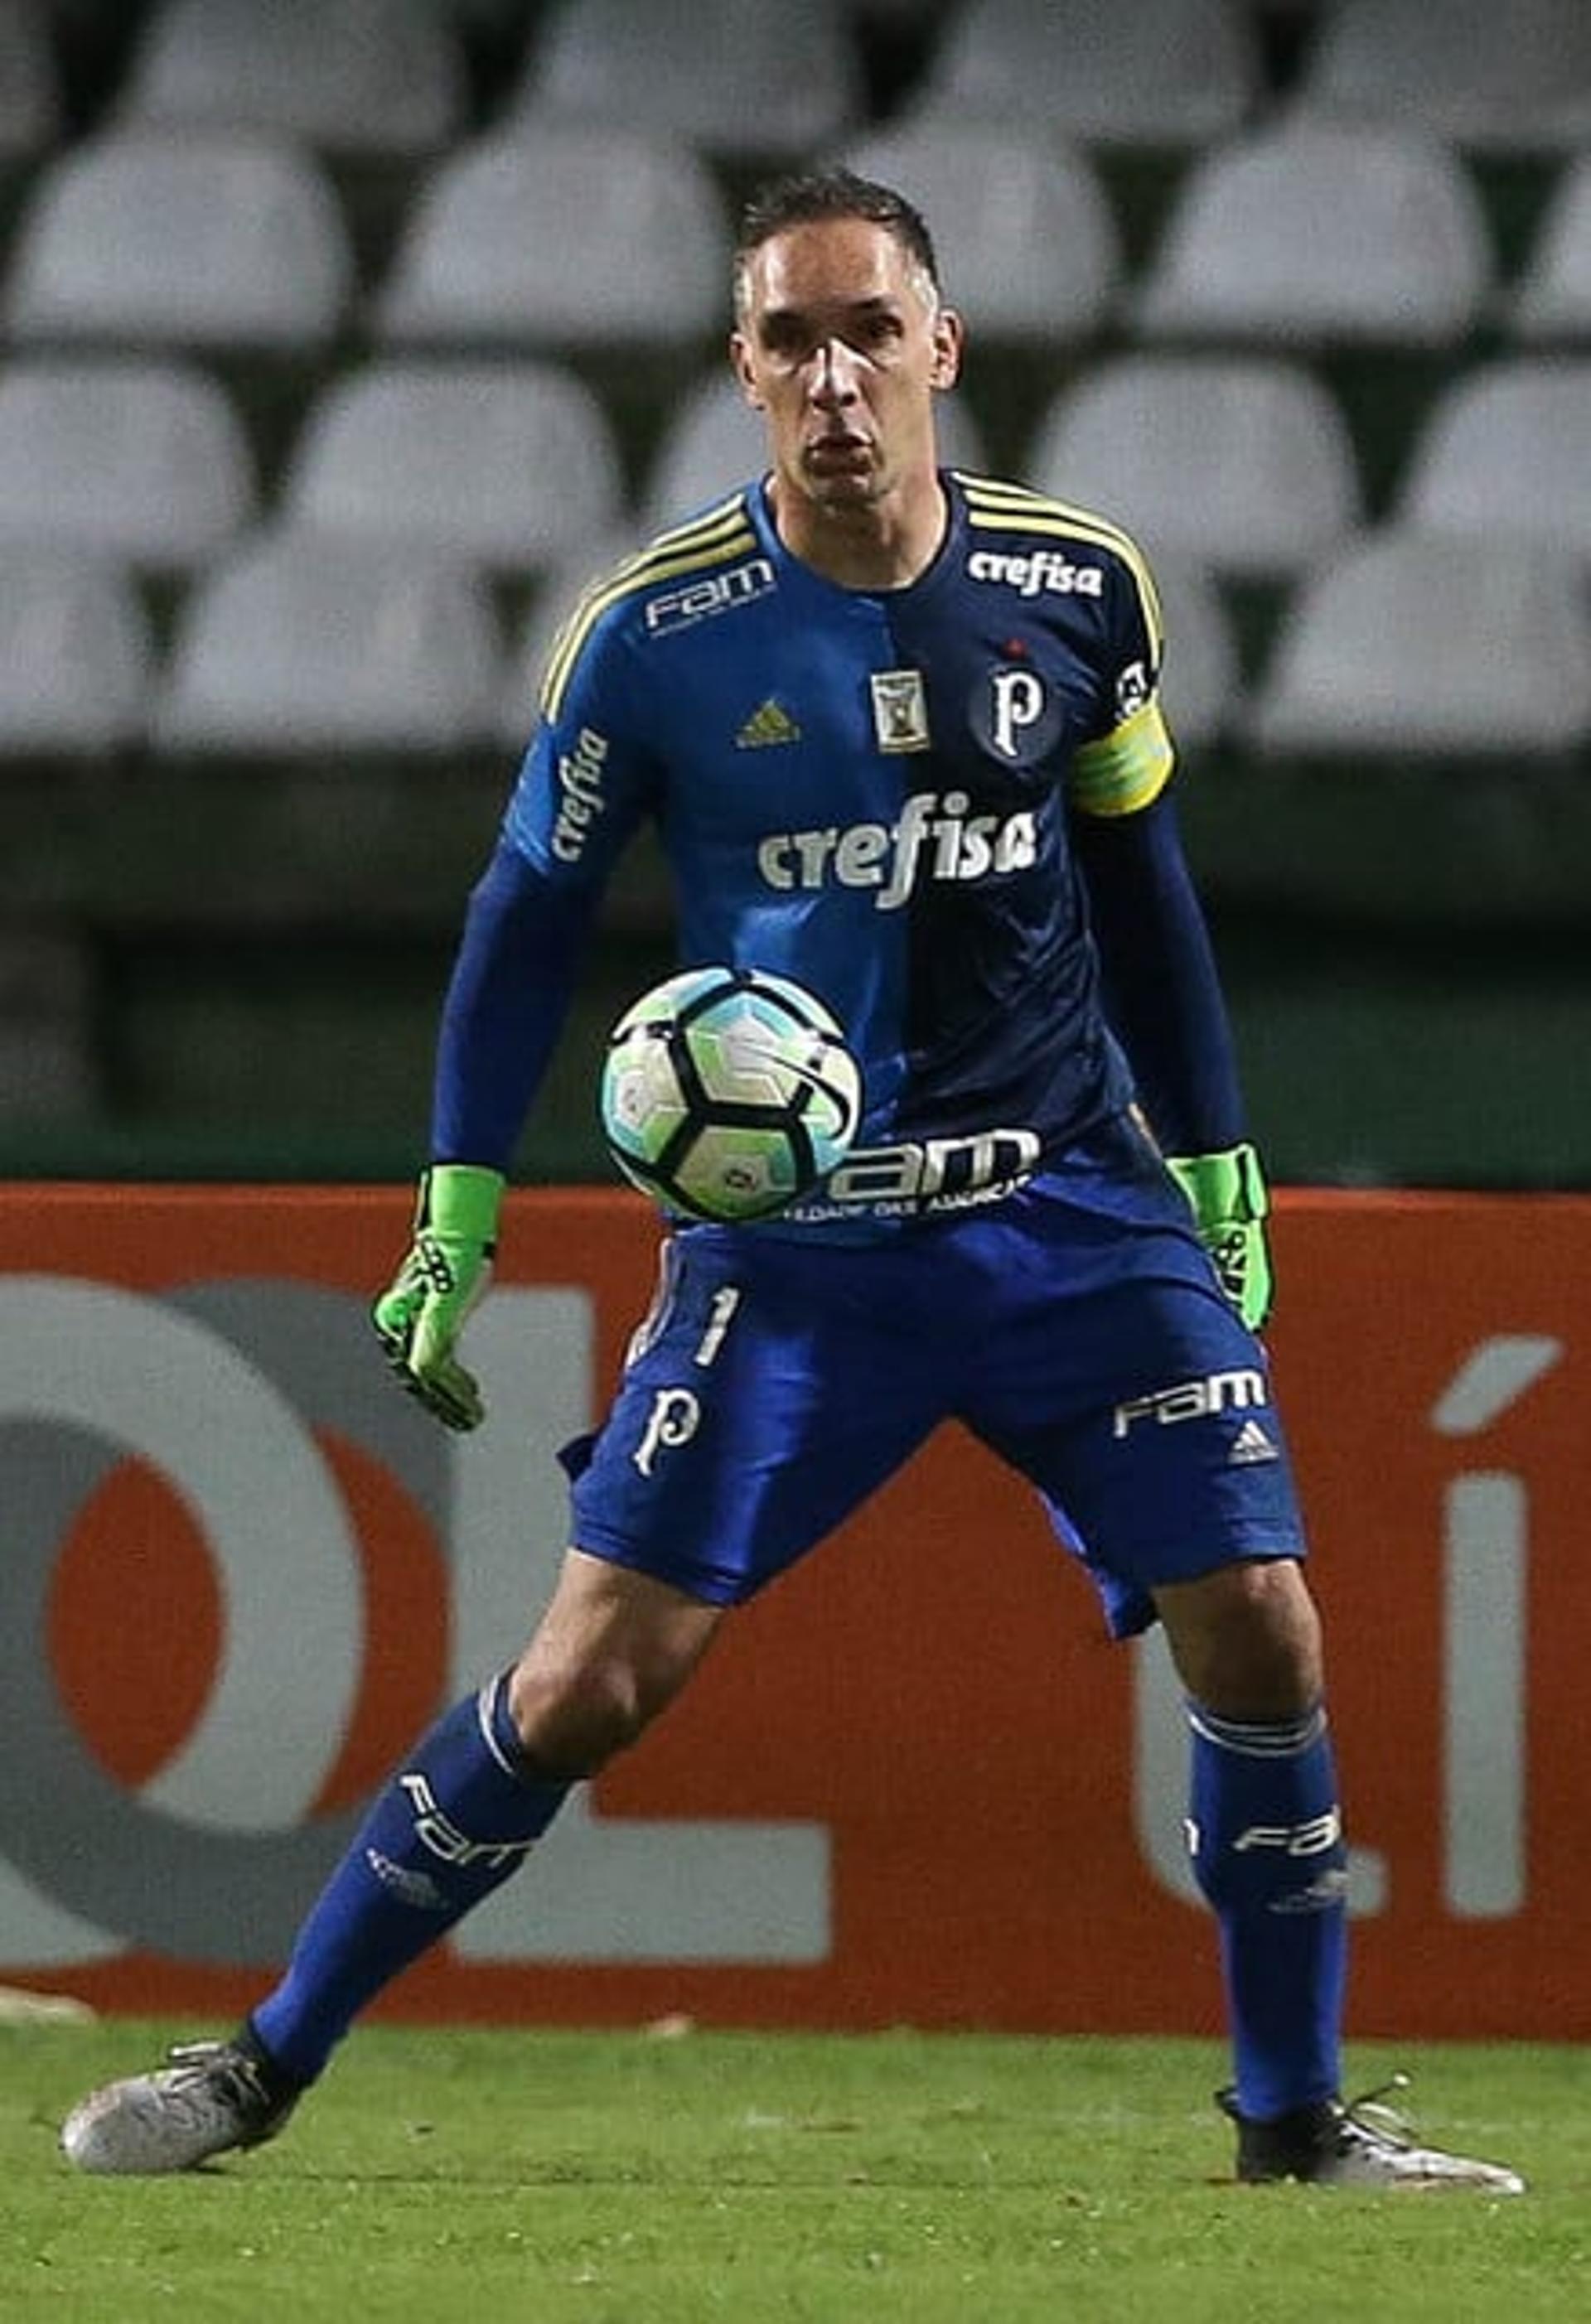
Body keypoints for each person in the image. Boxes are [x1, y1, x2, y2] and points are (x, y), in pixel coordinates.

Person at [62, 169, 1521, 2192]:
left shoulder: (1080, 587)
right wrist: (459, 1209)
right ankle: (262, 2060)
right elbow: (522, 915)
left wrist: (1219, 1152)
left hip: (1074, 1204)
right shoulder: (656, 639)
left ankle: (1294, 2124)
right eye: (788, 341)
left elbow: (1143, 882)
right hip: (795, 1241)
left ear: (942, 346)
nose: (834, 380)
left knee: (1262, 1622)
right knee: (592, 1679)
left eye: (867, 331)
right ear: (743, 372)